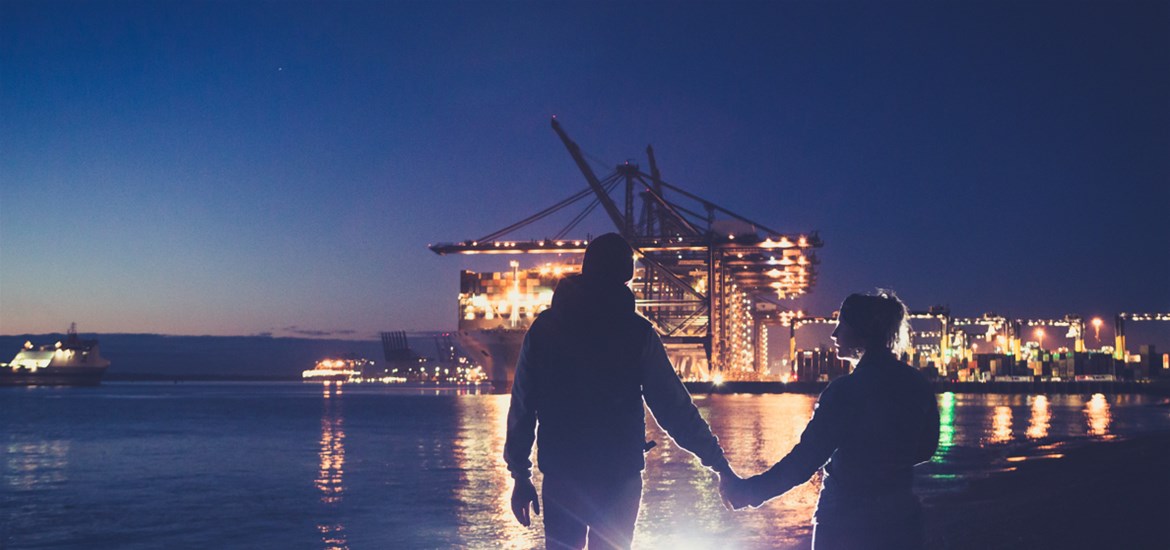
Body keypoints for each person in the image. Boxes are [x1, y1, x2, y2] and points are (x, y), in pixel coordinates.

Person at [504, 233, 735, 550]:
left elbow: (522, 407)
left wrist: (520, 475)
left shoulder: (543, 330)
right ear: (625, 277)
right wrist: (718, 463)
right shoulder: (637, 332)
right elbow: (674, 408)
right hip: (619, 476)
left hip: (562, 474)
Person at [721, 290, 940, 550]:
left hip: (845, 525)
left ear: (862, 331)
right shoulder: (918, 385)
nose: (834, 335)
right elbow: (927, 449)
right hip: (901, 524)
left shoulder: (845, 391)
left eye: (841, 326)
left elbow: (804, 462)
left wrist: (748, 492)